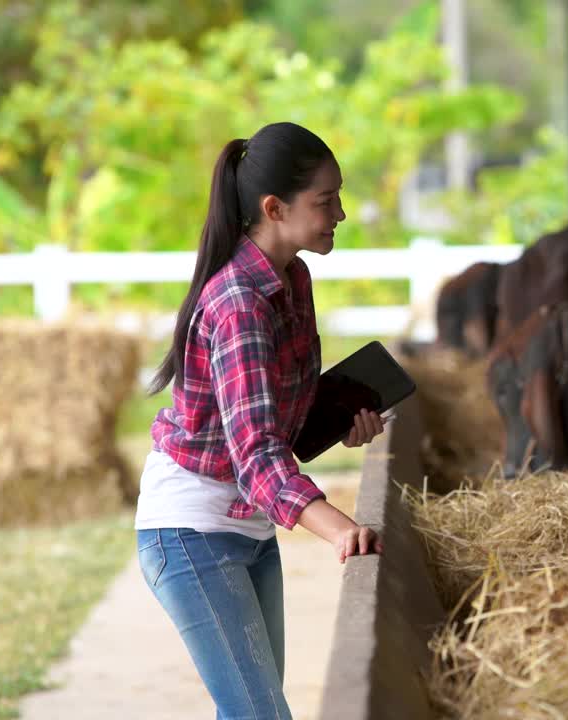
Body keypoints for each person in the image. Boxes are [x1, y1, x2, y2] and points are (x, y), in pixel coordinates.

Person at [133, 121, 385, 719]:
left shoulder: (292, 278)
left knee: (248, 712)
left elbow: (271, 420)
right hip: (192, 531)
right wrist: (337, 528)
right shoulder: (238, 302)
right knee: (261, 715)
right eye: (326, 201)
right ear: (275, 208)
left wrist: (336, 420)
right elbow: (256, 458)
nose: (341, 214)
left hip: (246, 529)